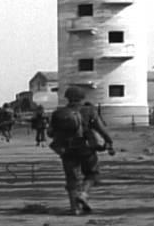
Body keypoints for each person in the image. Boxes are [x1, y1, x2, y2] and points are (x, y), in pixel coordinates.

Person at [47, 86, 115, 216]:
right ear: (82, 98)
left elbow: (50, 133)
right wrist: (109, 141)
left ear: (67, 97)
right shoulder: (89, 111)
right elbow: (101, 129)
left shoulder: (58, 113)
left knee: (71, 178)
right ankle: (83, 194)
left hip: (66, 150)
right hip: (86, 149)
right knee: (92, 174)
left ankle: (75, 209)